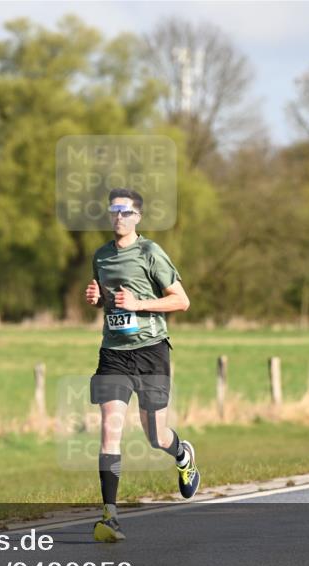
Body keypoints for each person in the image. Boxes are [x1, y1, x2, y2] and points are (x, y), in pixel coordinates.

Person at [84, 187, 200, 543]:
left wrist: (139, 304)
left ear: (138, 217)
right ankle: (110, 516)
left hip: (151, 352)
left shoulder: (151, 252)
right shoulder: (101, 257)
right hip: (114, 353)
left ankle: (182, 454)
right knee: (109, 429)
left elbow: (181, 302)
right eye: (113, 211)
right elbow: (112, 301)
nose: (118, 217)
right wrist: (97, 299)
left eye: (125, 211)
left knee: (155, 436)